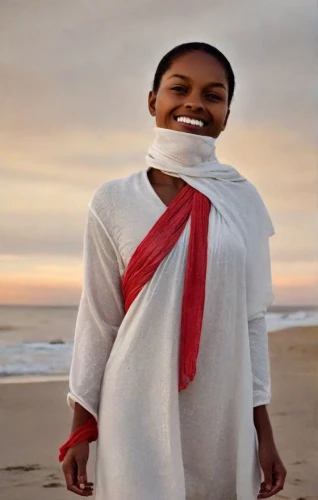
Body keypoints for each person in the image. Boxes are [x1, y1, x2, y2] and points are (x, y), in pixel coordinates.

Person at [60, 42, 287, 499]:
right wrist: (82, 427)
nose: (195, 104)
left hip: (222, 406)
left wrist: (264, 430)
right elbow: (101, 317)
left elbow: (252, 319)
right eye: (179, 88)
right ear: (153, 101)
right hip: (134, 402)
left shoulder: (242, 200)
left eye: (213, 94)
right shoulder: (112, 201)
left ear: (226, 112)